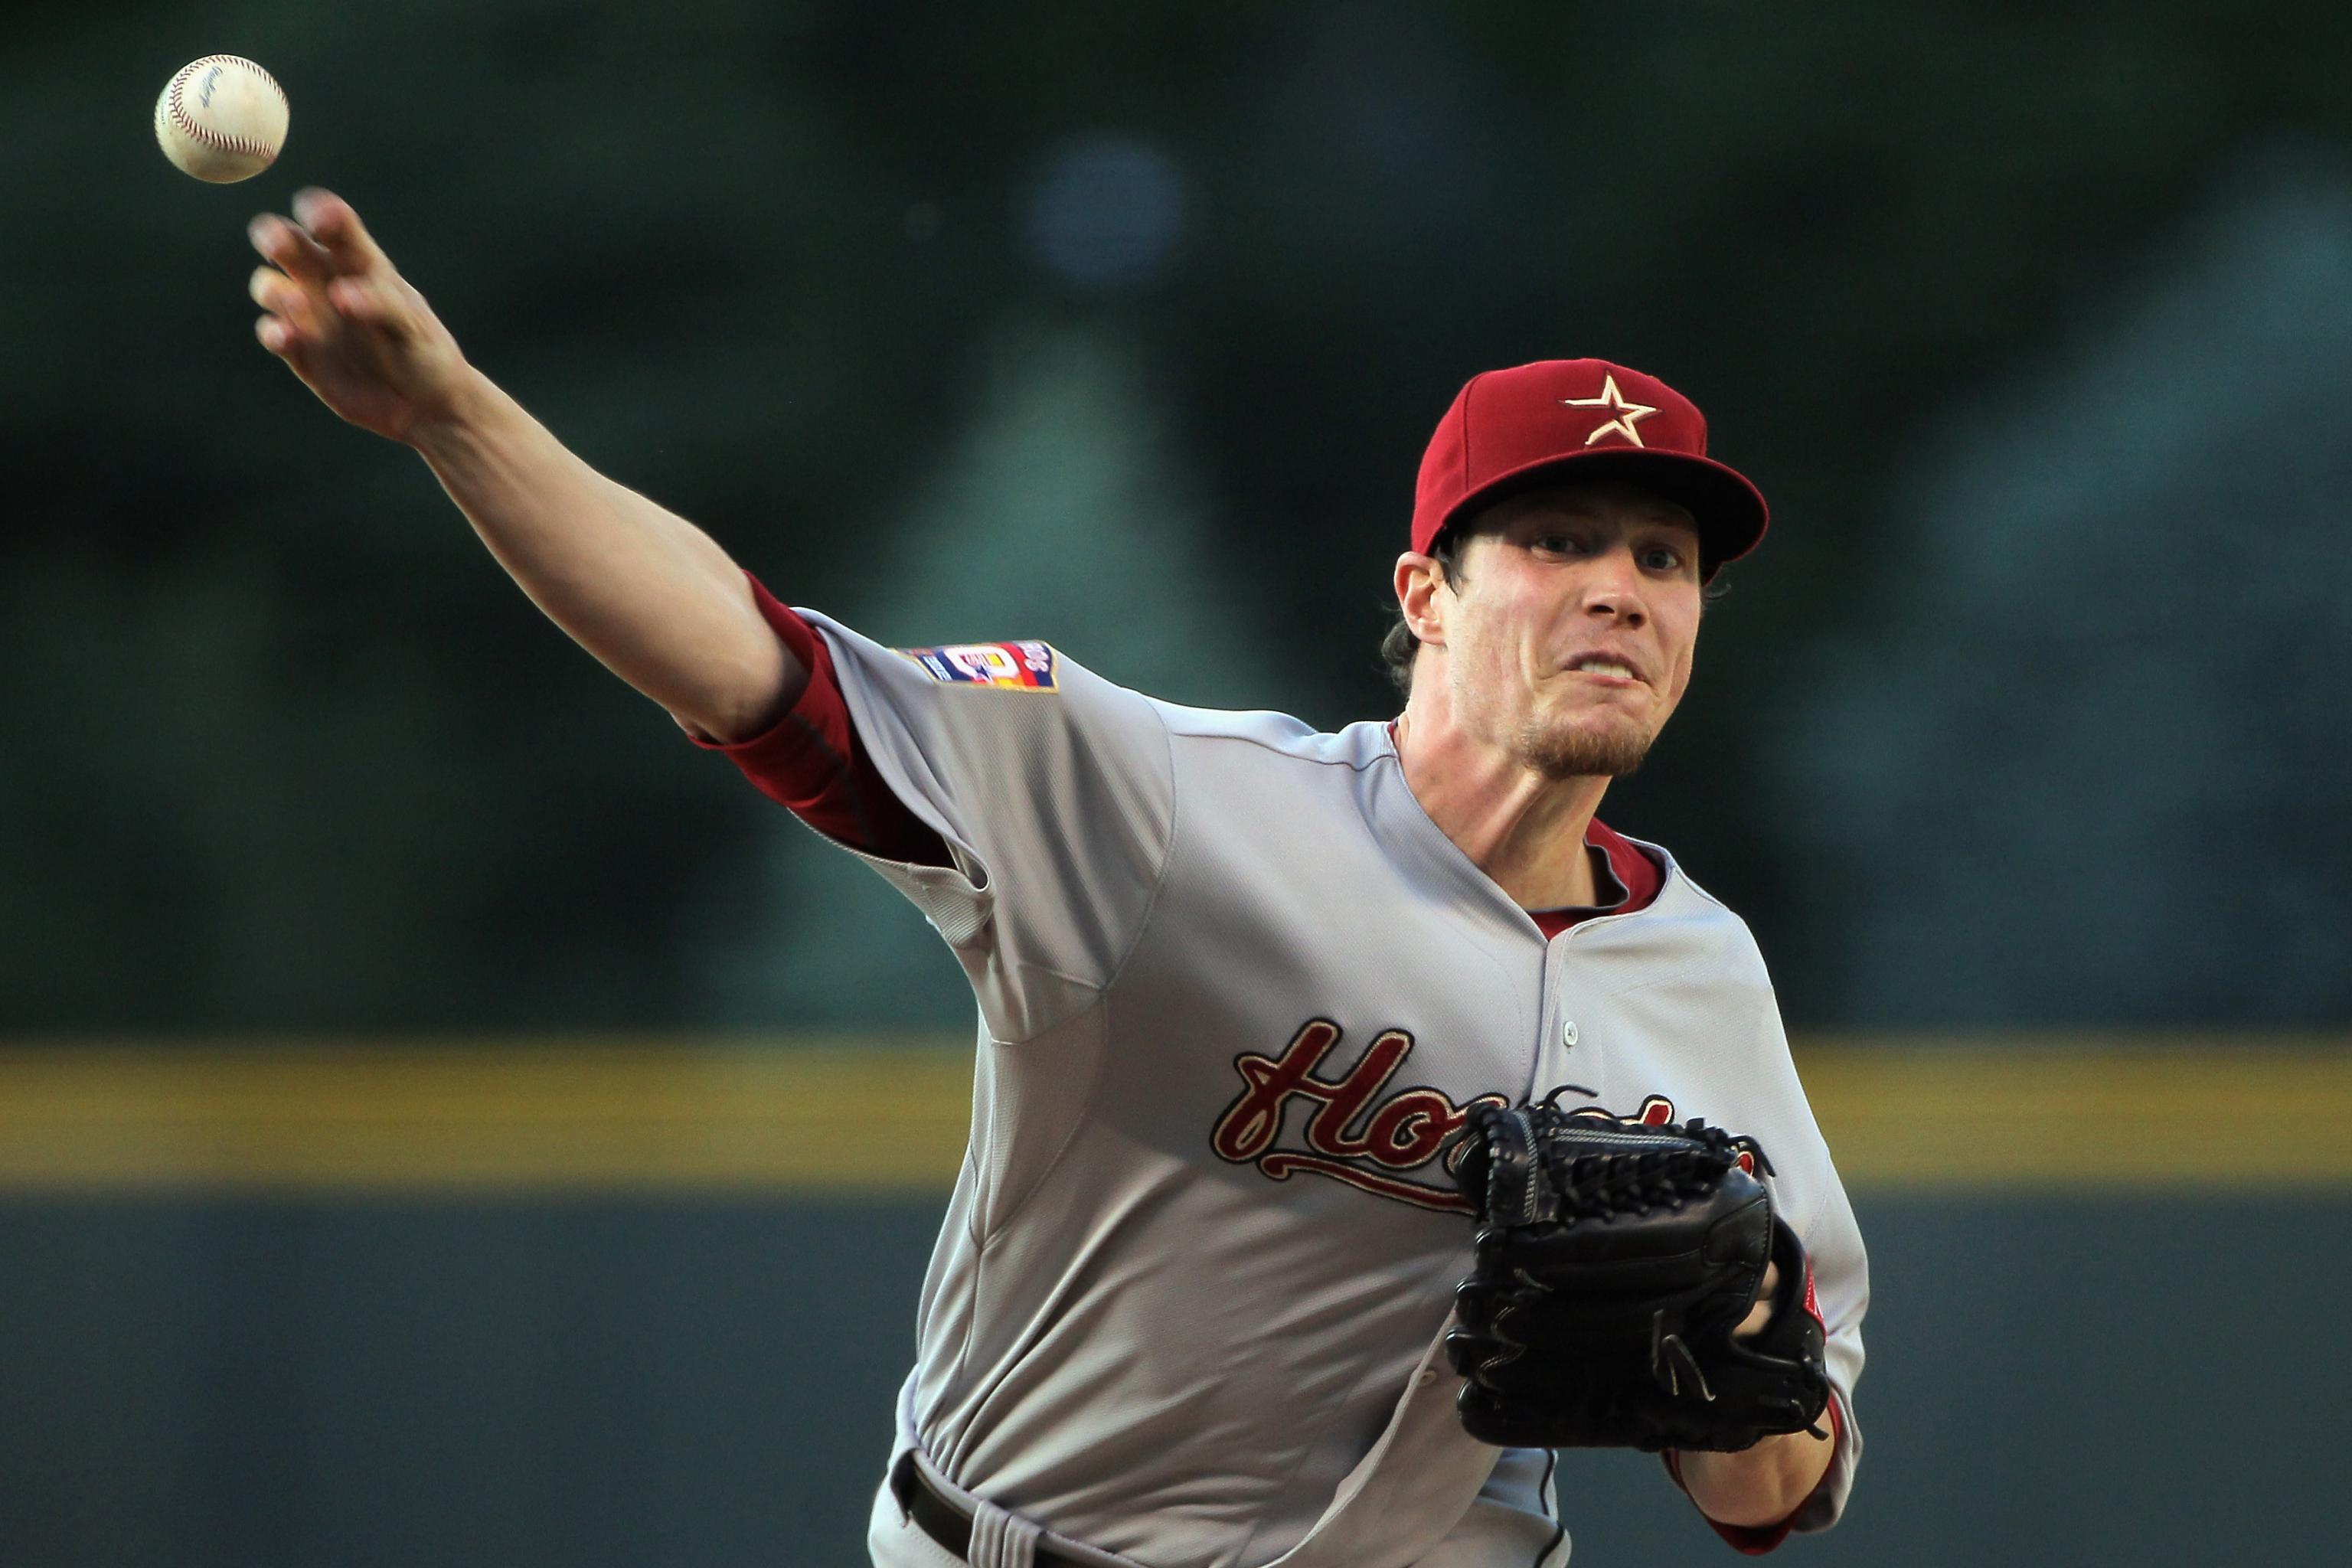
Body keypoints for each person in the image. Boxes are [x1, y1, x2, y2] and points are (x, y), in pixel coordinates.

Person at [245, 188, 1867, 1568]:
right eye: (1560, 540)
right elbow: (759, 669)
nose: (1623, 592)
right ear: (1426, 596)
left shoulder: (1702, 974)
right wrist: (455, 414)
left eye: (1666, 559)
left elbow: (1777, 1498)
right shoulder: (1165, 796)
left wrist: (1735, 1344)